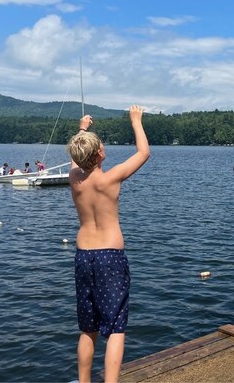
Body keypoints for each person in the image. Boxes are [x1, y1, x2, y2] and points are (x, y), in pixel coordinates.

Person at [68, 107, 150, 383]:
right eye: (101, 145)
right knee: (115, 328)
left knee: (87, 329)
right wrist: (136, 122)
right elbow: (143, 153)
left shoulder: (74, 180)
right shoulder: (110, 178)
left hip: (83, 257)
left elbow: (75, 158)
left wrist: (82, 129)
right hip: (110, 258)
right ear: (100, 154)